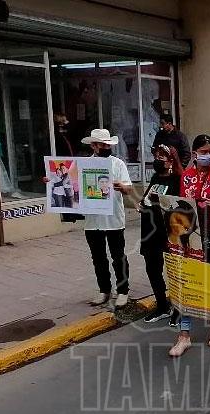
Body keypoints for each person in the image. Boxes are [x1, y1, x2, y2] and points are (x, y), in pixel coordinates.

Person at [170, 135, 210, 357]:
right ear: (195, 153)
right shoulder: (187, 176)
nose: (207, 155)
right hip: (190, 236)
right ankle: (184, 334)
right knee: (186, 283)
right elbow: (181, 204)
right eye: (203, 151)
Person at [80, 129, 135, 308]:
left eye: (108, 145)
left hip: (113, 218)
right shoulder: (83, 164)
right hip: (93, 219)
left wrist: (122, 187)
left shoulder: (117, 164)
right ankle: (104, 289)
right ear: (93, 145)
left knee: (118, 256)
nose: (106, 147)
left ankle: (123, 290)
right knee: (98, 257)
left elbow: (128, 188)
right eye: (102, 145)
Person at [139, 144, 183, 323]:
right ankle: (162, 306)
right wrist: (142, 205)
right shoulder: (156, 177)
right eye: (155, 155)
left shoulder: (178, 180)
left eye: (161, 156)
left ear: (171, 160)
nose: (157, 159)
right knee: (152, 268)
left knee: (174, 270)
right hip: (150, 231)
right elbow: (147, 199)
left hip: (169, 232)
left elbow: (180, 206)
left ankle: (180, 309)